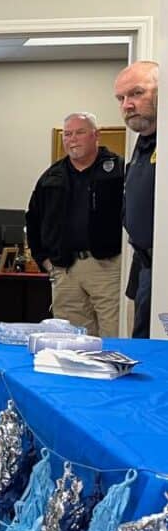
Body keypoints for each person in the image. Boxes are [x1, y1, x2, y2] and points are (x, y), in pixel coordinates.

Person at [24, 112, 123, 337]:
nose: (72, 139)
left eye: (80, 133)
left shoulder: (117, 170)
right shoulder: (52, 176)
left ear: (96, 135)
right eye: (67, 134)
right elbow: (33, 218)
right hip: (65, 268)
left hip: (107, 266)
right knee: (71, 339)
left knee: (115, 333)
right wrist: (44, 260)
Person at [114, 61, 157, 338]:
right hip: (145, 265)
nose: (127, 105)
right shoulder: (143, 143)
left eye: (137, 93)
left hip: (162, 266)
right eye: (121, 98)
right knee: (143, 343)